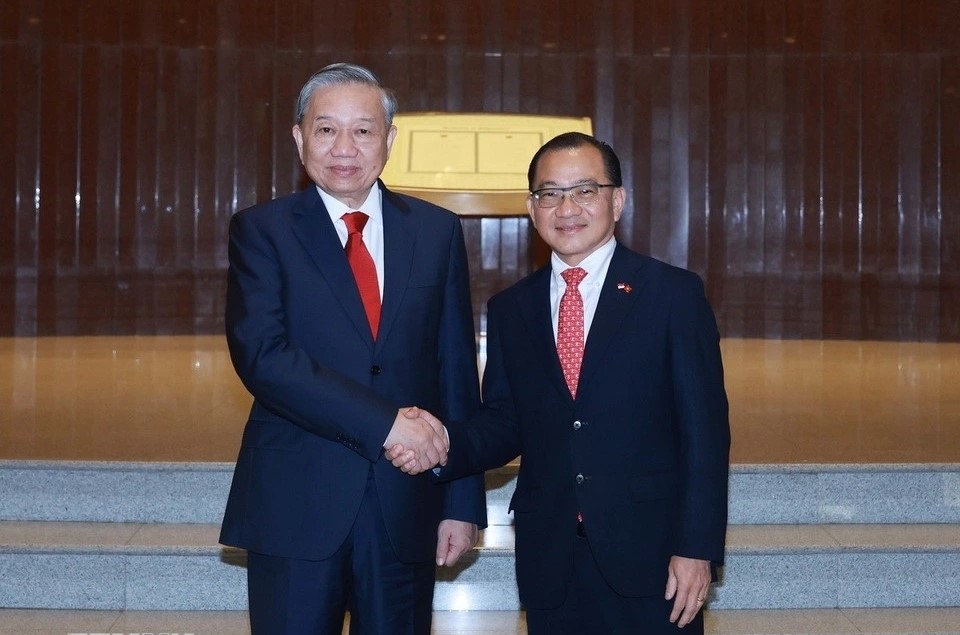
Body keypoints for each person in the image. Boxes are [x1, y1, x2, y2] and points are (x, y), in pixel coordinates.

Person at [390, 132, 730, 634]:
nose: (567, 208)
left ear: (617, 201)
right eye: (550, 194)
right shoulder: (512, 308)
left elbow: (705, 434)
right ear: (532, 208)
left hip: (652, 555)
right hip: (551, 557)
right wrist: (441, 442)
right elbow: (505, 421)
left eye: (585, 191)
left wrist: (696, 548)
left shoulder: (672, 295)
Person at [220, 62, 486, 635]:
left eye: (363, 130)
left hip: (406, 504)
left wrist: (462, 503)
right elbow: (264, 357)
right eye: (326, 129)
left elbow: (456, 373)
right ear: (299, 138)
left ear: (390, 139)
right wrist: (386, 424)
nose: (345, 147)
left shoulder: (436, 232)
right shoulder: (263, 231)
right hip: (296, 503)